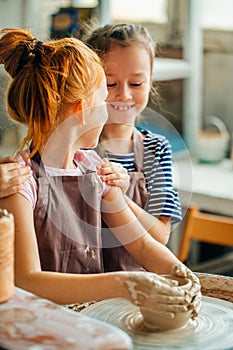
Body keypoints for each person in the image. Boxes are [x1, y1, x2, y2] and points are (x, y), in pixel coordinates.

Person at [0, 28, 201, 318]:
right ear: (83, 110)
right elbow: (27, 280)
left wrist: (178, 271)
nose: (110, 108)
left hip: (95, 319)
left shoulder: (93, 167)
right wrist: (124, 283)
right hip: (44, 326)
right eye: (103, 96)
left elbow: (143, 244)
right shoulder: (20, 181)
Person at [78, 23, 182, 270]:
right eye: (111, 84)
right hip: (84, 283)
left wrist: (120, 196)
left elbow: (160, 235)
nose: (124, 95)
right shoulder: (76, 147)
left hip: (138, 287)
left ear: (150, 82)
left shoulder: (156, 150)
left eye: (135, 84)